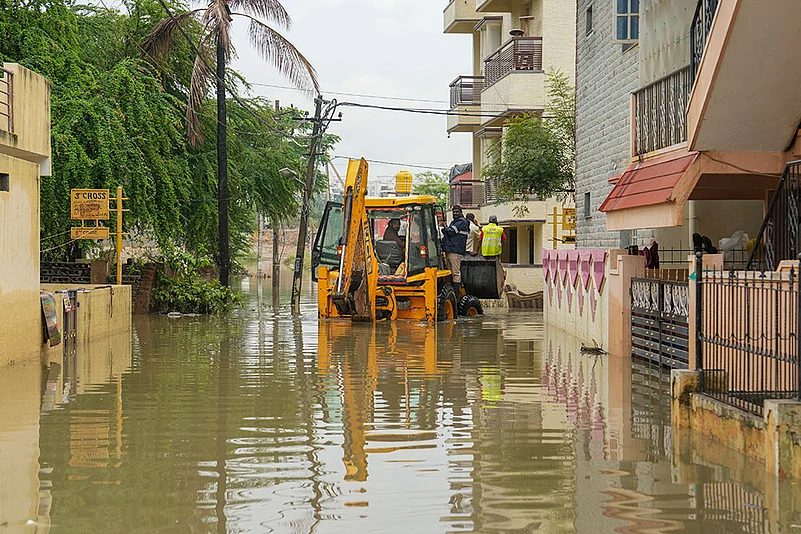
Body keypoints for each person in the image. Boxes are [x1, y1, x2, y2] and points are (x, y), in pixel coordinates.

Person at [441, 204, 471, 296]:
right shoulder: (455, 222)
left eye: (457, 212)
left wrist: (445, 228)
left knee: (455, 273)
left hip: (455, 250)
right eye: (454, 212)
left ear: (461, 212)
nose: (455, 214)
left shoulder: (461, 222)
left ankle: (457, 295)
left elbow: (451, 232)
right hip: (451, 249)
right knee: (450, 272)